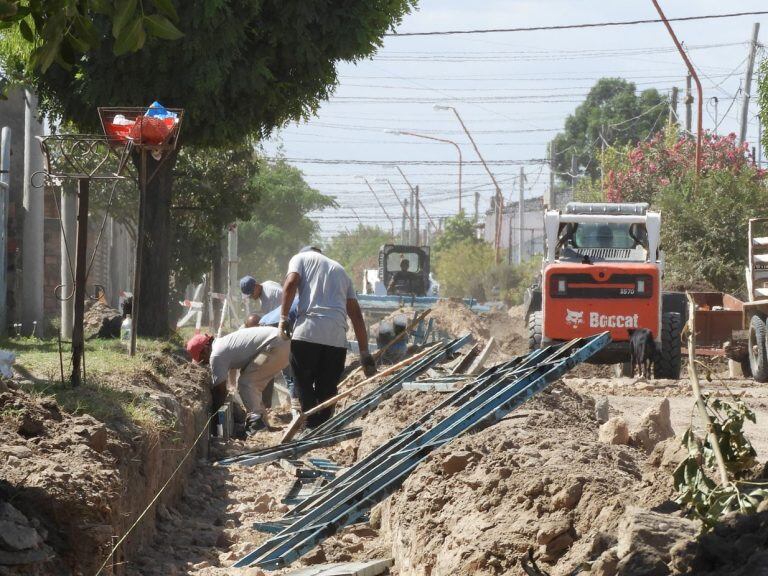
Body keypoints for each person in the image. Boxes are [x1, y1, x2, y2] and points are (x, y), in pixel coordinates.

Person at [279, 246, 376, 428]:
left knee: (303, 381)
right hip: (336, 339)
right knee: (327, 388)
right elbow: (355, 314)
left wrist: (283, 318)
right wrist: (364, 352)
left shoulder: (300, 258)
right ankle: (322, 427)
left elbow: (291, 283)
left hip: (307, 332)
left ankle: (310, 427)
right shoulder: (340, 270)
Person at [186, 326, 289, 436]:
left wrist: (214, 418)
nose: (205, 363)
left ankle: (257, 424)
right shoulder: (222, 344)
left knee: (247, 383)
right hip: (280, 342)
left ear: (205, 349)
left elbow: (220, 391)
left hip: (274, 345)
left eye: (202, 359)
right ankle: (260, 419)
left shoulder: (216, 355)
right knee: (251, 381)